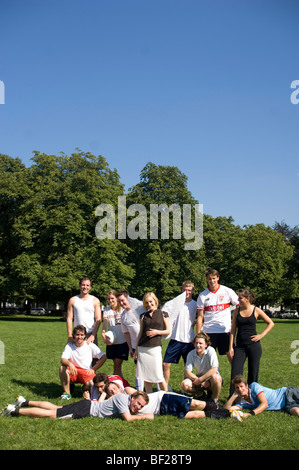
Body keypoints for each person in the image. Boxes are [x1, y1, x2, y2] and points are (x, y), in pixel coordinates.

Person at [228, 289, 274, 394]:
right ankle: (233, 397)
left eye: (240, 298)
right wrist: (231, 347)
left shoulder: (256, 310)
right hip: (240, 346)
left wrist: (261, 335)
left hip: (254, 346)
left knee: (253, 372)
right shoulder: (237, 311)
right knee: (236, 371)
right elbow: (233, 330)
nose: (238, 300)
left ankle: (252, 396)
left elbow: (270, 323)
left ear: (247, 299)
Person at [1, 391, 153, 421]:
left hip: (86, 405)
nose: (138, 407)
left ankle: (23, 402)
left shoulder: (125, 400)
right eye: (138, 403)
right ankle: (13, 412)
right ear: (132, 398)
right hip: (85, 410)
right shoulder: (122, 399)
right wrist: (146, 416)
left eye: (141, 407)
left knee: (55, 408)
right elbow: (127, 418)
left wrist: (138, 413)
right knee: (51, 414)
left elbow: (130, 414)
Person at [196, 269, 239, 363]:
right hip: (209, 332)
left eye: (214, 278)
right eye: (209, 279)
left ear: (218, 278)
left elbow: (239, 305)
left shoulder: (227, 291)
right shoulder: (202, 295)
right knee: (208, 360)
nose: (212, 281)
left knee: (232, 357)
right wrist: (198, 334)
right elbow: (200, 316)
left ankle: (236, 377)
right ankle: (214, 377)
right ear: (206, 280)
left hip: (225, 330)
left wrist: (236, 322)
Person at [163, 281, 197, 387]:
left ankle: (186, 388)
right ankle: (165, 388)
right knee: (165, 364)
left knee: (188, 367)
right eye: (185, 290)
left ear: (192, 291)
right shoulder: (175, 303)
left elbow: (203, 316)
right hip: (175, 338)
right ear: (181, 290)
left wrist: (195, 322)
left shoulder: (195, 304)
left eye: (189, 290)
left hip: (189, 340)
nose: (187, 292)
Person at [59, 325, 106, 400]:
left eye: (82, 335)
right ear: (73, 335)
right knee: (62, 368)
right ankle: (67, 393)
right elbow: (63, 359)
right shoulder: (70, 345)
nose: (79, 337)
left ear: (84, 336)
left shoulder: (89, 345)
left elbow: (103, 357)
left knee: (91, 384)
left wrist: (93, 369)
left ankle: (84, 388)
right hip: (73, 370)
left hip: (86, 371)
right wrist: (69, 364)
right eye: (77, 335)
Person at [135, 292, 170, 393]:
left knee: (159, 375)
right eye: (147, 302)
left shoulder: (163, 313)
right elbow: (140, 332)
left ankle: (166, 397)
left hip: (154, 347)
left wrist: (156, 332)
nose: (149, 304)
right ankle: (149, 398)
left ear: (155, 301)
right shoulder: (142, 316)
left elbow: (168, 330)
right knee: (146, 376)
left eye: (151, 301)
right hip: (142, 348)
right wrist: (136, 349)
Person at [225, 375, 299, 418]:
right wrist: (233, 396)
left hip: (287, 393)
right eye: (237, 388)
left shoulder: (254, 387)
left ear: (247, 386)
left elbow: (264, 404)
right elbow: (226, 409)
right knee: (296, 412)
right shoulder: (242, 403)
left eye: (241, 386)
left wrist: (249, 414)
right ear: (235, 389)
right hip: (286, 406)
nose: (240, 389)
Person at [181, 333, 222, 403]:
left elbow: (214, 369)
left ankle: (215, 400)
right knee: (184, 384)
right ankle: (200, 394)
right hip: (199, 378)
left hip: (210, 378)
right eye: (196, 343)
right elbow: (187, 372)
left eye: (200, 343)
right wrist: (198, 380)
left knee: (216, 378)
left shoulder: (211, 351)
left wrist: (201, 380)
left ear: (206, 344)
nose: (198, 345)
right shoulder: (191, 354)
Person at [116, 289, 144, 390]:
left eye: (123, 300)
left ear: (128, 298)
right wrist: (130, 348)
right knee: (138, 368)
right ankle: (139, 390)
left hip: (146, 344)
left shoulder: (139, 309)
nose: (121, 303)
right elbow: (126, 333)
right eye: (119, 301)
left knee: (151, 368)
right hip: (134, 345)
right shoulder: (123, 315)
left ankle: (160, 390)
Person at [101, 289, 129, 377]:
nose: (110, 301)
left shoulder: (122, 309)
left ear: (116, 298)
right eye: (108, 299)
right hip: (112, 340)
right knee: (116, 365)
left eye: (112, 298)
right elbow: (105, 321)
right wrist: (103, 331)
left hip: (122, 341)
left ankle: (115, 383)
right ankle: (120, 383)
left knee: (117, 364)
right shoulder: (107, 310)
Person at [66, 277, 101, 345]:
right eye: (83, 285)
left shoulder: (95, 300)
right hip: (77, 334)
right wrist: (70, 335)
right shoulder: (73, 300)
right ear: (80, 286)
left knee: (92, 355)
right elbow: (69, 319)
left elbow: (98, 319)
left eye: (87, 285)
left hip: (90, 333)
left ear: (90, 287)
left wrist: (93, 335)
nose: (85, 287)